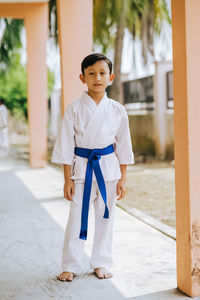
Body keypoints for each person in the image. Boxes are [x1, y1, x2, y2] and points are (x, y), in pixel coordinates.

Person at [51, 53, 134, 281]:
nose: (97, 77)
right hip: (81, 171)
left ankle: (101, 262)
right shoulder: (75, 108)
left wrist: (123, 178)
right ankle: (71, 264)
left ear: (111, 77)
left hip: (108, 169)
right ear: (82, 77)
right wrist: (67, 179)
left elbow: (124, 146)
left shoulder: (117, 110)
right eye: (91, 73)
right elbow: (66, 144)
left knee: (106, 218)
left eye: (102, 73)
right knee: (76, 217)